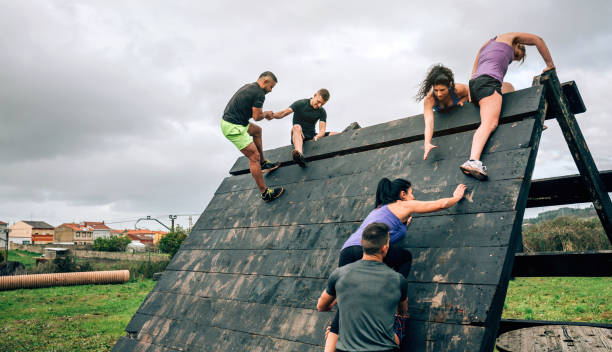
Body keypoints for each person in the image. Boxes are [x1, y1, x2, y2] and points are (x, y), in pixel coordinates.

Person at [323, 178, 467, 351]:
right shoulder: (403, 205)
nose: (413, 197)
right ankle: (396, 297)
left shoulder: (380, 209)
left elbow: (389, 228)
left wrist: (404, 223)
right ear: (402, 194)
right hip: (364, 249)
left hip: (348, 250)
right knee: (405, 258)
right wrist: (456, 197)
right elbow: (441, 204)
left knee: (342, 311)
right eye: (411, 192)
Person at [461, 32, 555, 180]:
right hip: (488, 82)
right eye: (516, 55)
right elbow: (538, 40)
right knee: (489, 123)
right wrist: (550, 65)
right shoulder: (511, 37)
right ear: (518, 46)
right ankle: (473, 161)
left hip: (476, 84)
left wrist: (472, 93)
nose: (514, 58)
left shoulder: (487, 44)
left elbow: (475, 69)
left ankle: (528, 121)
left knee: (508, 87)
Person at [317, 222, 408, 352]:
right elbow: (403, 311)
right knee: (402, 320)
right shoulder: (399, 280)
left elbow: (321, 306)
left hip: (346, 349)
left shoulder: (339, 274)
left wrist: (335, 304)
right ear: (384, 248)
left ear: (361, 242)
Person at [220, 71, 285, 202]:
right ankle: (265, 193)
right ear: (265, 82)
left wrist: (262, 113)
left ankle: (263, 163)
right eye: (271, 87)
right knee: (253, 156)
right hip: (233, 127)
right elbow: (256, 117)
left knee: (257, 131)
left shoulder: (249, 86)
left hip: (235, 122)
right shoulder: (259, 94)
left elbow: (250, 111)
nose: (271, 90)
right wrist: (266, 114)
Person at [271, 89, 338, 167]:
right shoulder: (300, 104)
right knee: (296, 126)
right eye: (318, 102)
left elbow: (322, 130)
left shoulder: (322, 111)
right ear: (315, 95)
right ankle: (299, 155)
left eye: (322, 104)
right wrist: (271, 115)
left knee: (335, 133)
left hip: (312, 136)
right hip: (298, 135)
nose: (319, 105)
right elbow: (282, 113)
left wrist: (318, 136)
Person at [416, 64, 469, 160]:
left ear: (449, 86)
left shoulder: (458, 89)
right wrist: (427, 143)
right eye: (436, 90)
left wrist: (463, 100)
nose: (439, 94)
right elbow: (429, 123)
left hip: (461, 121)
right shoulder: (430, 99)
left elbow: (471, 92)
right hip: (446, 126)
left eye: (442, 90)